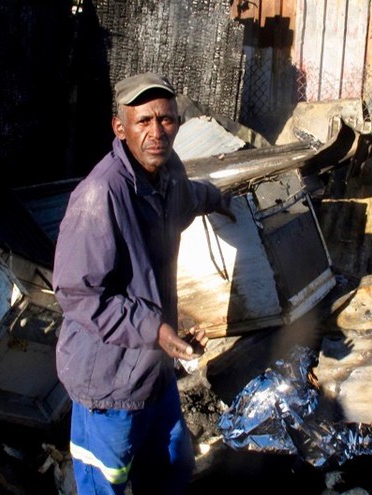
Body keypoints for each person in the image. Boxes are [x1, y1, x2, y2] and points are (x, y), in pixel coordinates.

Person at [52, 72, 236, 494]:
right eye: (144, 121)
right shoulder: (101, 196)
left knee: (171, 470)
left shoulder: (167, 172)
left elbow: (186, 196)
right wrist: (155, 329)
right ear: (120, 128)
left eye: (167, 120)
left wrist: (220, 199)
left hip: (154, 374)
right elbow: (79, 295)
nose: (158, 132)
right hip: (110, 384)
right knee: (107, 484)